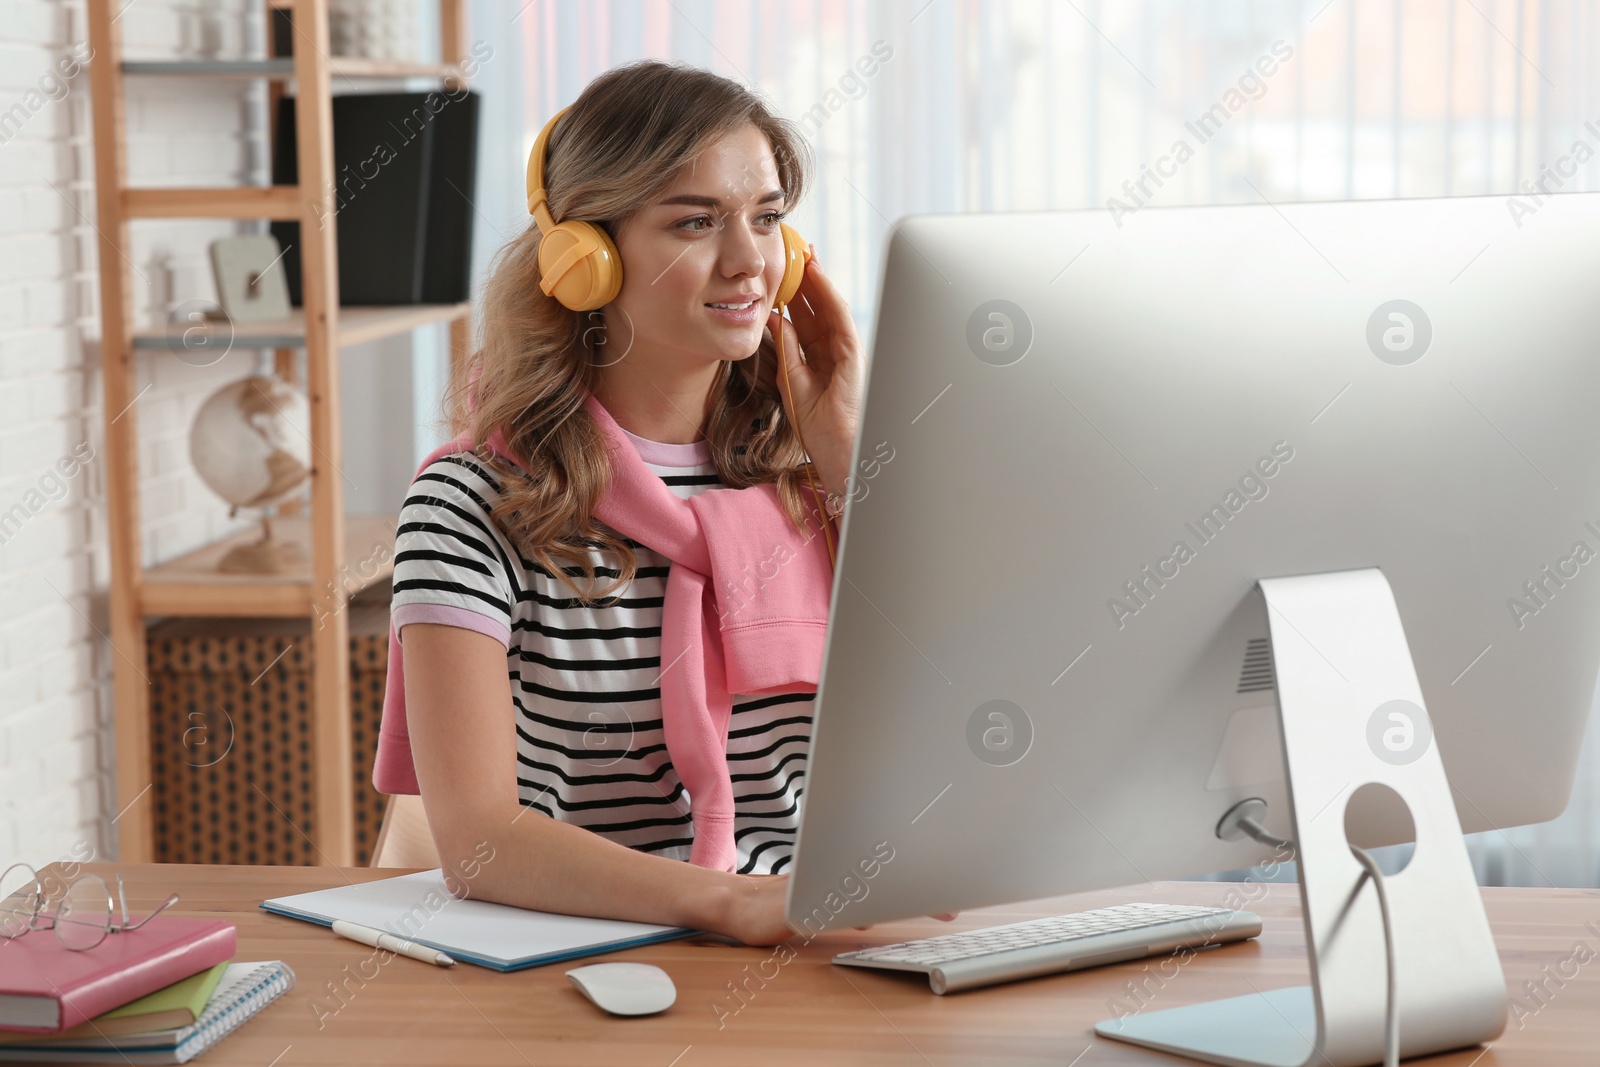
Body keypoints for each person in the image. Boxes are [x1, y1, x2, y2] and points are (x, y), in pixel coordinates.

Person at [389, 60, 863, 947]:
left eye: (767, 218)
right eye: (696, 221)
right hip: (582, 956)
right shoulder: (470, 502)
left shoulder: (812, 482)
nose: (750, 261)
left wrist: (845, 459)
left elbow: (943, 722)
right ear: (586, 260)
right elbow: (481, 844)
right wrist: (728, 902)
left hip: (812, 942)